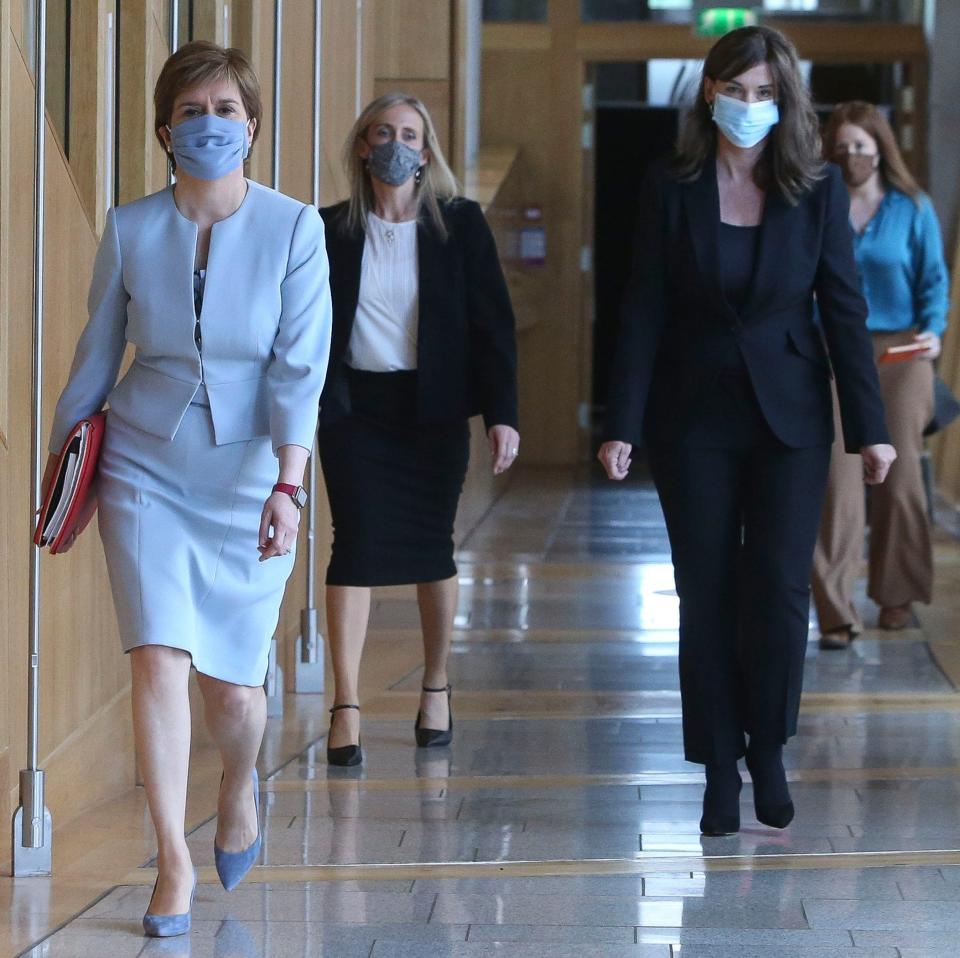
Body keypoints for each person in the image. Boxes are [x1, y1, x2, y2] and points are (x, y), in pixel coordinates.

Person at [44, 42, 331, 936]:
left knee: (234, 695)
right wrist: (64, 471)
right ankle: (172, 860)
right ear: (167, 130)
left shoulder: (295, 228)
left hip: (251, 473)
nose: (210, 123)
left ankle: (237, 785)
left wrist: (291, 483)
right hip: (144, 463)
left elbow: (300, 367)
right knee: (157, 658)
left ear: (252, 124)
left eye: (226, 108)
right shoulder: (132, 228)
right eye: (192, 109)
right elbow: (97, 357)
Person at [598, 26, 895, 837]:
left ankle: (769, 748)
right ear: (709, 91)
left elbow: (843, 307)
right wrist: (621, 420)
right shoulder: (669, 183)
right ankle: (718, 766)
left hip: (789, 416)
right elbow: (642, 307)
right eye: (738, 90)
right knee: (705, 593)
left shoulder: (816, 189)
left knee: (776, 587)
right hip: (692, 416)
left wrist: (869, 429)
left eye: (767, 94)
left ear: (785, 101)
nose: (750, 106)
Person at [318, 92, 519, 767]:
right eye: (383, 132)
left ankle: (436, 684)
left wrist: (504, 417)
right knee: (356, 546)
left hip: (432, 409)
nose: (395, 144)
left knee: (434, 545)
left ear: (426, 152)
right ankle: (345, 704)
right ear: (361, 146)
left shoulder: (458, 225)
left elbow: (493, 325)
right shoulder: (330, 229)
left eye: (409, 134)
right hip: (353, 410)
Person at [813, 101, 949, 648]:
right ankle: (836, 610)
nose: (851, 157)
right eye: (841, 148)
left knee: (899, 476)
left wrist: (934, 330)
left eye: (861, 148)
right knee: (835, 478)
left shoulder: (911, 207)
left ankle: (897, 593)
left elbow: (933, 280)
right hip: (829, 351)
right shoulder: (817, 206)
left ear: (881, 150)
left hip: (900, 350)